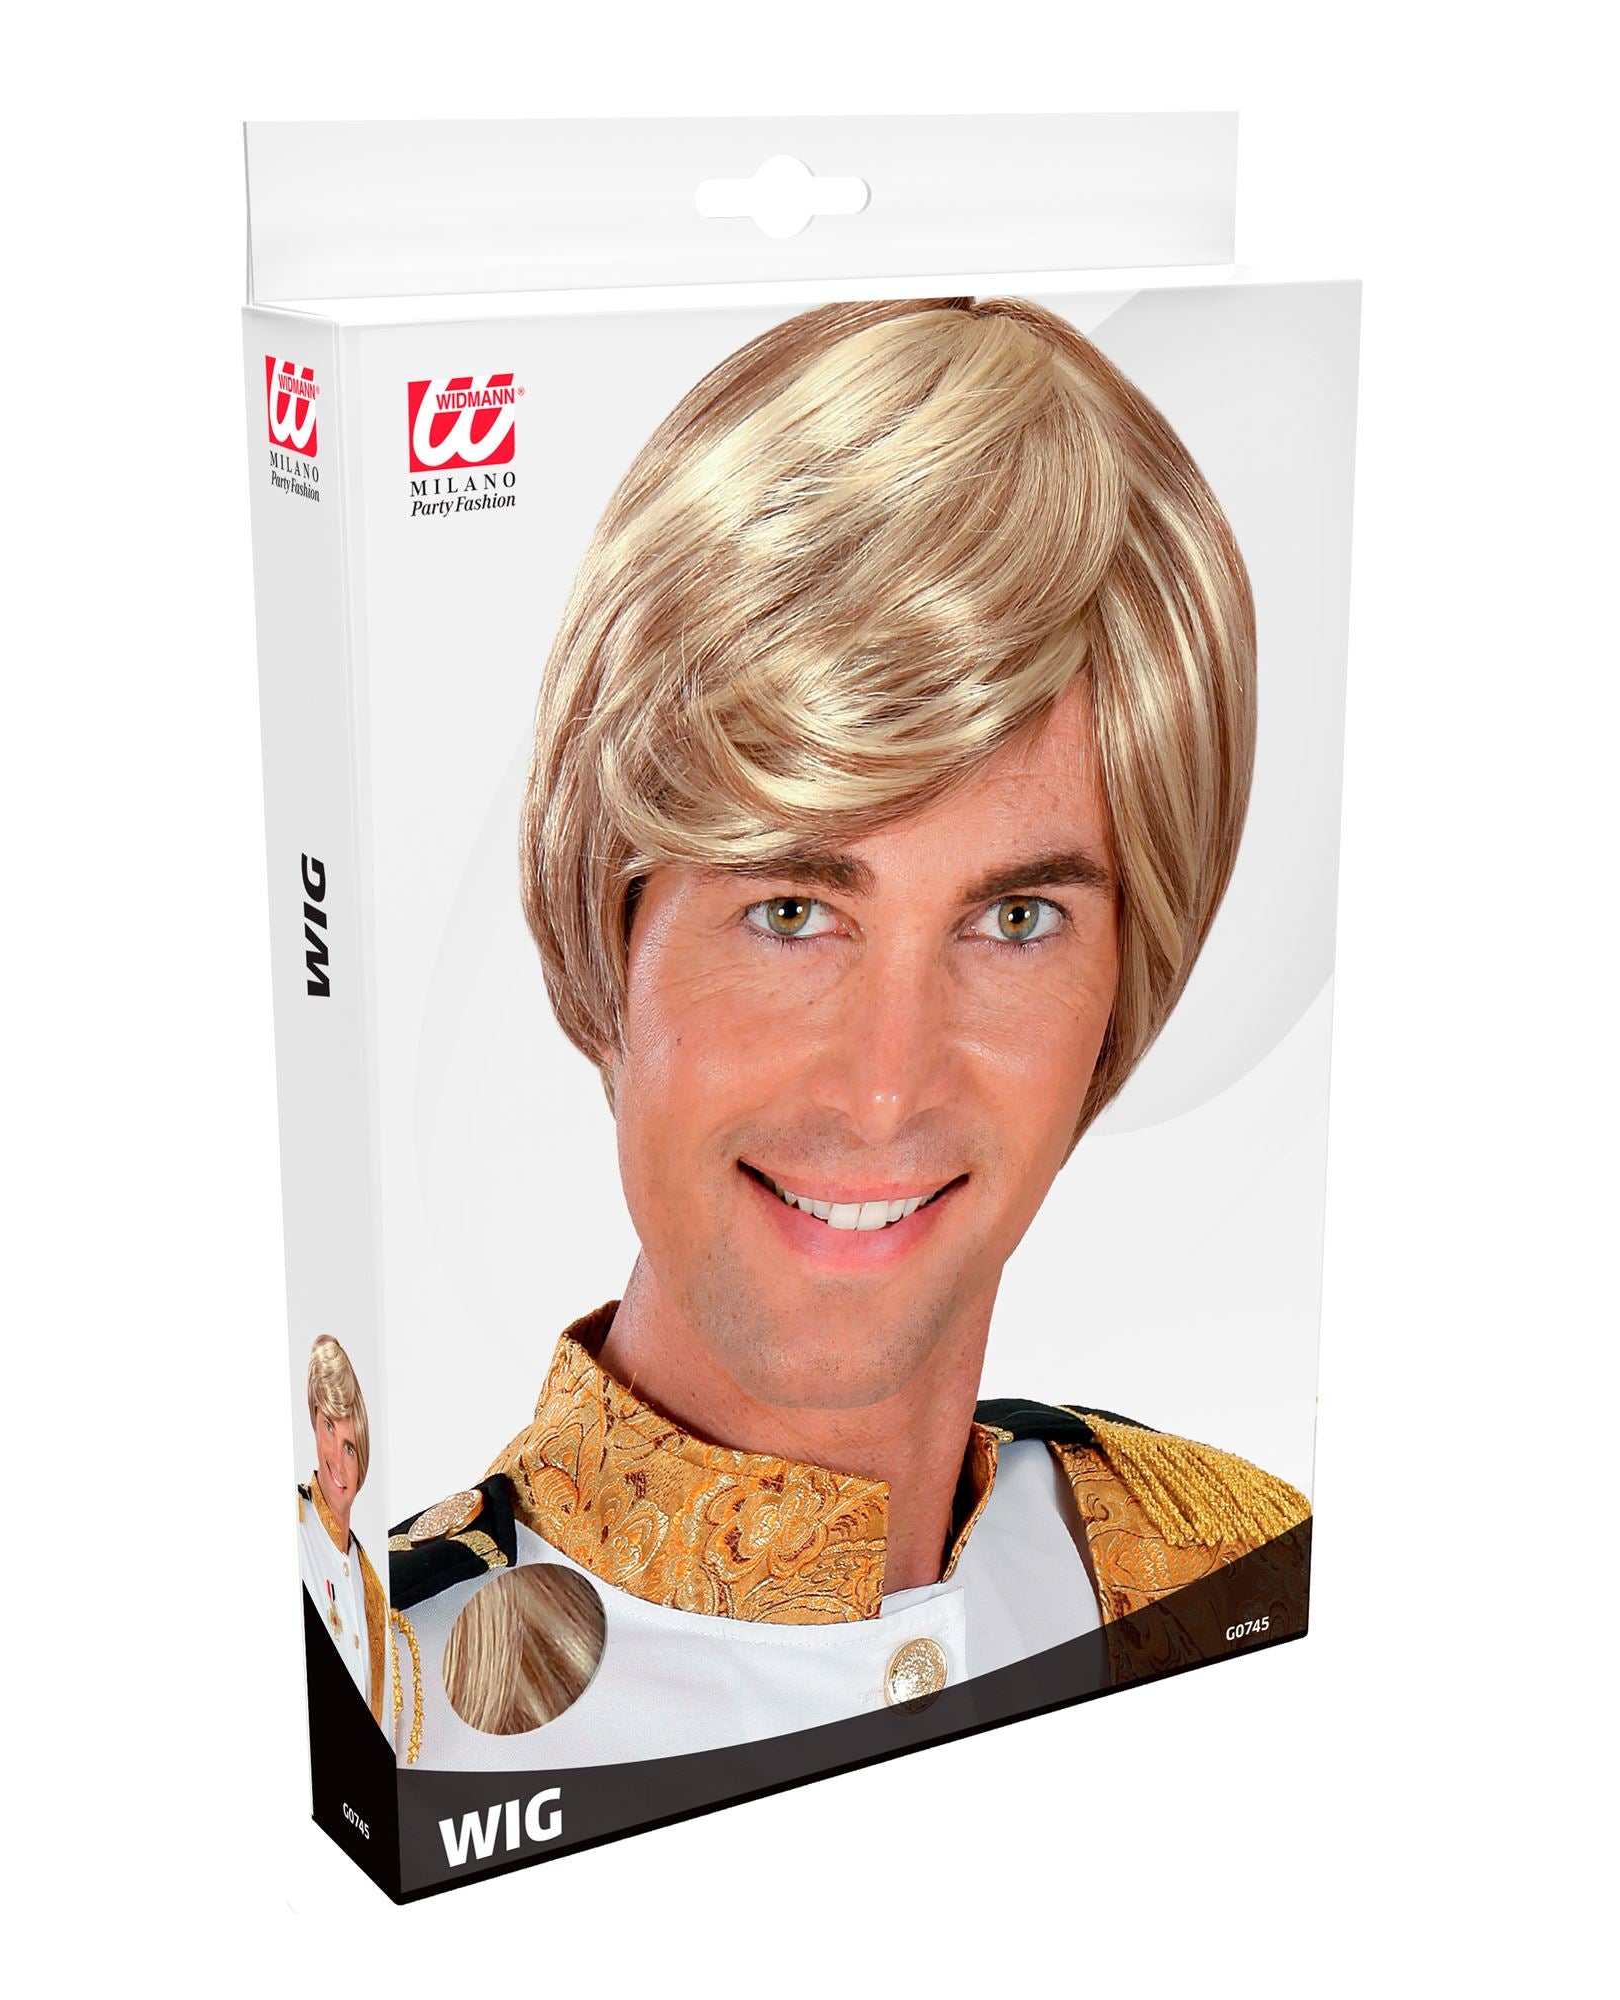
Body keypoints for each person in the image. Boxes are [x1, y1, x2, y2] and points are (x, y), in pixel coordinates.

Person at [390, 296, 1309, 1767]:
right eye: (792, 911)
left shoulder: (1232, 1583)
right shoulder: (391, 1710)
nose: (886, 1087)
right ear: (608, 929)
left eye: (1015, 919)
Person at [297, 1333, 385, 1724]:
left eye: (350, 1447)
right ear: (314, 1421)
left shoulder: (372, 1588)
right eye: (329, 1427)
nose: (337, 1457)